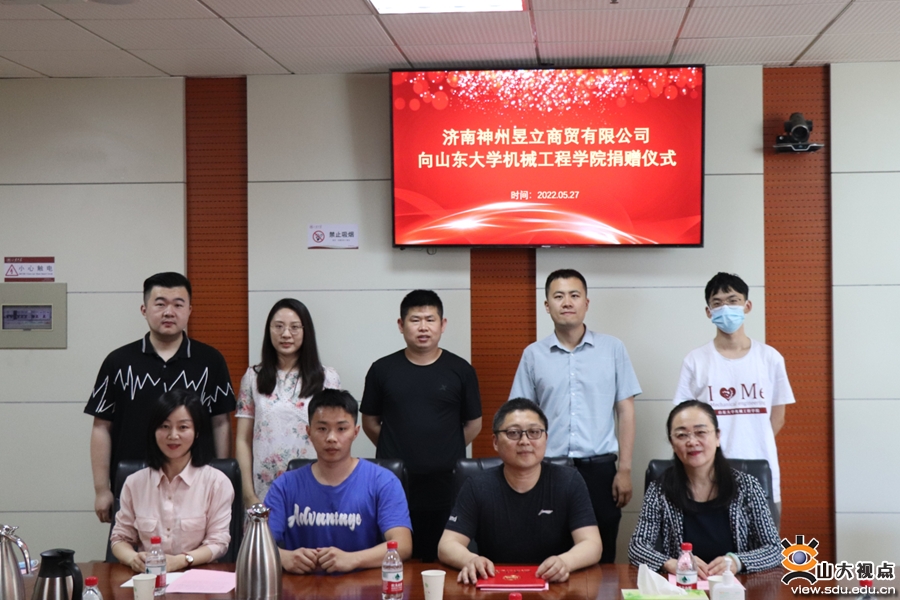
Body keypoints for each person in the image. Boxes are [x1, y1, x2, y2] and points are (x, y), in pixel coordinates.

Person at [509, 269, 640, 563]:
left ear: (586, 303)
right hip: (548, 469)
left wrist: (624, 470)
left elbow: (626, 411)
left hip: (600, 470)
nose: (567, 302)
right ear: (547, 306)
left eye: (574, 295)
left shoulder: (612, 349)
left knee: (602, 554)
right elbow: (520, 418)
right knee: (548, 551)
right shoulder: (533, 354)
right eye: (558, 296)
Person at [85, 272, 236, 523]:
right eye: (160, 304)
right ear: (144, 309)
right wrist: (102, 489)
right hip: (132, 482)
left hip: (197, 484)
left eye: (178, 304)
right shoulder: (118, 362)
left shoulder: (211, 361)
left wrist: (223, 477)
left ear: (190, 310)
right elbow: (101, 426)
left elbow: (221, 422)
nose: (169, 312)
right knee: (130, 546)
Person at [360, 289, 482, 562]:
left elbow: (474, 424)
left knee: (444, 558)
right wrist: (397, 448)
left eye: (430, 319)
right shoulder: (382, 369)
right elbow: (370, 422)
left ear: (443, 324)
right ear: (401, 325)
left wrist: (444, 447)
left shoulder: (461, 370)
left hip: (446, 485)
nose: (423, 327)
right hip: (395, 483)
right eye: (415, 320)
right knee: (395, 559)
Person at [438, 398, 601, 584]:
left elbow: (592, 544)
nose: (524, 441)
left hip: (554, 585)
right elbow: (447, 545)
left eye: (534, 432)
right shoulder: (477, 486)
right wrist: (471, 560)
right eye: (513, 433)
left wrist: (566, 562)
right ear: (495, 442)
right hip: (493, 583)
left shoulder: (569, 481)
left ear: (546, 439)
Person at [673, 272, 795, 522]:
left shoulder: (770, 358)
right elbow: (683, 421)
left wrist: (753, 441)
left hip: (761, 471)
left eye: (733, 300)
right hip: (708, 475)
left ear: (747, 306)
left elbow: (778, 417)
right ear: (708, 312)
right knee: (710, 542)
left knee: (764, 543)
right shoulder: (695, 360)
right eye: (717, 303)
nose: (725, 308)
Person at [265, 389, 412, 574]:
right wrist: (283, 557)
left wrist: (353, 559)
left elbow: (403, 545)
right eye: (322, 429)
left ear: (355, 432)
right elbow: (257, 545)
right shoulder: (285, 485)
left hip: (364, 584)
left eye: (341, 429)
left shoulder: (383, 481)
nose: (331, 438)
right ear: (308, 432)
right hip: (302, 585)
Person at [628, 400, 780, 575]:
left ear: (717, 437)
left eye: (700, 432)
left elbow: (774, 549)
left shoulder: (747, 486)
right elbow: (637, 547)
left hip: (734, 584)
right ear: (672, 443)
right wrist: (670, 563)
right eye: (681, 435)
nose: (692, 442)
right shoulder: (660, 490)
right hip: (683, 584)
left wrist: (737, 562)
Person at [110, 389, 234, 571]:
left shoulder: (217, 483)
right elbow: (119, 538)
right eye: (164, 426)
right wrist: (133, 558)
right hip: (148, 577)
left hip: (198, 576)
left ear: (197, 431)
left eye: (183, 427)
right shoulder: (134, 483)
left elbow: (218, 542)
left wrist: (182, 561)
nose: (173, 435)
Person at [235, 298, 341, 506]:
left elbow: (335, 437)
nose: (285, 334)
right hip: (264, 491)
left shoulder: (327, 378)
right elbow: (242, 440)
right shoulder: (253, 378)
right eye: (278, 327)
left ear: (306, 331)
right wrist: (248, 495)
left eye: (294, 327)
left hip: (315, 486)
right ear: (269, 330)